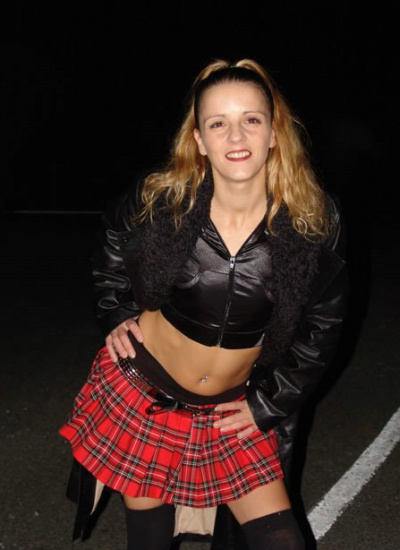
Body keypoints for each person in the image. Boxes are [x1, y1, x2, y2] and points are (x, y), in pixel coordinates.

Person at [59, 58, 348, 550]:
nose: (236, 136)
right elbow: (111, 247)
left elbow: (323, 326)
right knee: (150, 538)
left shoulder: (314, 220)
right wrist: (116, 312)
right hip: (143, 392)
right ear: (198, 139)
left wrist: (268, 404)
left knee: (282, 540)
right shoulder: (162, 200)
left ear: (274, 132)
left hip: (232, 410)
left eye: (251, 119)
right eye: (218, 123)